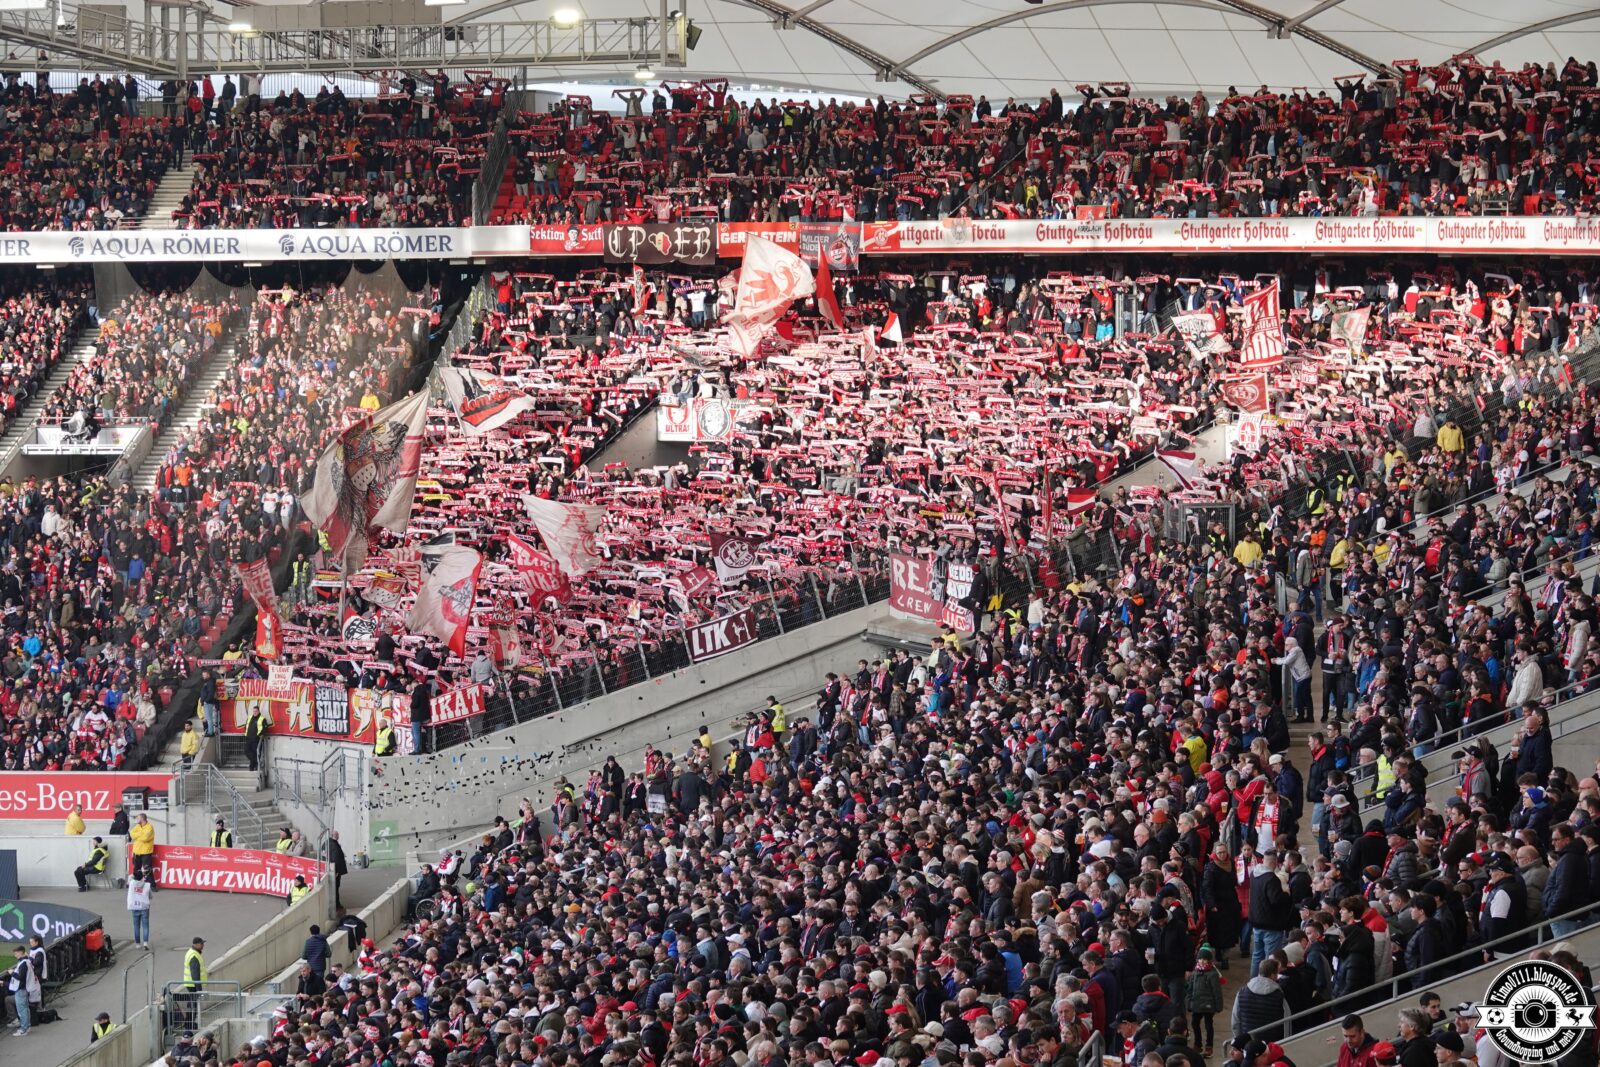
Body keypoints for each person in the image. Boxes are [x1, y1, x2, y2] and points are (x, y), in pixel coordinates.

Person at [1185, 945, 1223, 1057]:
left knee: (1208, 1025)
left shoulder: (1213, 974)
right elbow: (1190, 989)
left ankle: (1209, 1047)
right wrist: (1189, 1003)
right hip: (1196, 1004)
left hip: (1208, 1005)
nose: (1202, 961)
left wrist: (1218, 1005)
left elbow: (1217, 991)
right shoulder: (1195, 972)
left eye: (1204, 959)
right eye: (1200, 959)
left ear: (1209, 960)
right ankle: (1198, 1045)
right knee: (1194, 1023)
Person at [179, 936, 206, 1035]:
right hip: (193, 984)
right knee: (193, 1004)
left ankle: (189, 1023)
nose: (203, 945)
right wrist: (199, 989)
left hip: (190, 983)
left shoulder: (192, 952)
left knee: (192, 1004)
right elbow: (195, 974)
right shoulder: (194, 955)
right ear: (196, 944)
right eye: (202, 944)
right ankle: (189, 1024)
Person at [8, 944, 36, 1037]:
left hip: (21, 989)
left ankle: (24, 1029)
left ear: (20, 952)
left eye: (16, 953)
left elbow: (20, 977)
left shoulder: (23, 963)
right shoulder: (26, 961)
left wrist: (12, 973)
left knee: (22, 1010)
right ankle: (27, 1027)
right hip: (24, 988)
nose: (15, 955)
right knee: (25, 1009)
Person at [129, 812, 155, 883]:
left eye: (138, 818)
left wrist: (137, 836)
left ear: (142, 819)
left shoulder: (149, 827)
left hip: (145, 852)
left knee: (147, 869)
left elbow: (145, 838)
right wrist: (140, 835)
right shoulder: (138, 826)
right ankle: (136, 883)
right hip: (136, 851)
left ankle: (152, 885)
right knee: (136, 869)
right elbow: (131, 834)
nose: (136, 819)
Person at [127, 873, 151, 949]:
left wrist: (137, 874)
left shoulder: (131, 883)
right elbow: (150, 896)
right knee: (145, 926)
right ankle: (145, 943)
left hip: (134, 907)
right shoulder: (147, 885)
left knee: (136, 926)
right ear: (142, 878)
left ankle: (137, 944)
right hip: (144, 908)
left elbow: (130, 876)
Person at [325, 830, 348, 909]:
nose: (338, 836)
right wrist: (336, 871)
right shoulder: (334, 845)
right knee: (335, 888)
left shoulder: (327, 843)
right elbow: (335, 859)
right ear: (333, 835)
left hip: (331, 869)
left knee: (334, 888)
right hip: (335, 871)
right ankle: (337, 905)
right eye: (337, 835)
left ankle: (336, 905)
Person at [244, 706, 269, 772]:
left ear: (258, 711)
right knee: (246, 751)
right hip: (249, 739)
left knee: (256, 753)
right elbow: (246, 726)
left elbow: (265, 728)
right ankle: (255, 763)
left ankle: (252, 767)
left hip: (256, 740)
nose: (254, 712)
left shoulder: (262, 719)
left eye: (256, 711)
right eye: (253, 711)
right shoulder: (249, 718)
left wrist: (259, 735)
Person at [410, 680, 432, 754]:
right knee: (417, 732)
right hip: (424, 715)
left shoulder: (416, 692)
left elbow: (415, 704)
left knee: (415, 733)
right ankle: (419, 749)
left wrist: (411, 705)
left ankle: (417, 750)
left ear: (414, 685)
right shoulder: (424, 691)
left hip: (416, 716)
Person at [198, 669, 220, 737]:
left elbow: (211, 693)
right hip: (207, 702)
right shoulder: (207, 682)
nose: (203, 676)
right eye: (203, 675)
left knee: (209, 718)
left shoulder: (210, 682)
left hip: (208, 702)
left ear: (208, 675)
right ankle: (210, 731)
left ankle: (210, 732)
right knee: (208, 718)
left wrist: (206, 700)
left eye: (204, 675)